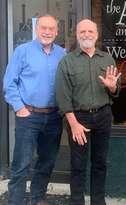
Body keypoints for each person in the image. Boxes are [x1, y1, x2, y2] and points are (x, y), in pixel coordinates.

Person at [55, 19, 121, 205]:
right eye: (82, 31)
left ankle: (98, 202)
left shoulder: (107, 59)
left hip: (103, 115)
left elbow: (116, 92)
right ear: (77, 35)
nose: (86, 35)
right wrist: (74, 124)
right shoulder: (67, 61)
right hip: (78, 118)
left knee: (100, 163)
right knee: (78, 165)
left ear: (96, 34)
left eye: (90, 31)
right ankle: (77, 202)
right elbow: (63, 96)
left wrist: (112, 87)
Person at [3, 14, 66, 205]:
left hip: (54, 117)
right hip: (28, 116)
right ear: (36, 29)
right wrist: (20, 107)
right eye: (43, 28)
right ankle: (16, 201)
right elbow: (9, 83)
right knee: (21, 164)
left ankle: (38, 198)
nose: (47, 32)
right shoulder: (22, 51)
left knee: (46, 162)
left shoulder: (62, 54)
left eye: (51, 29)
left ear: (57, 31)